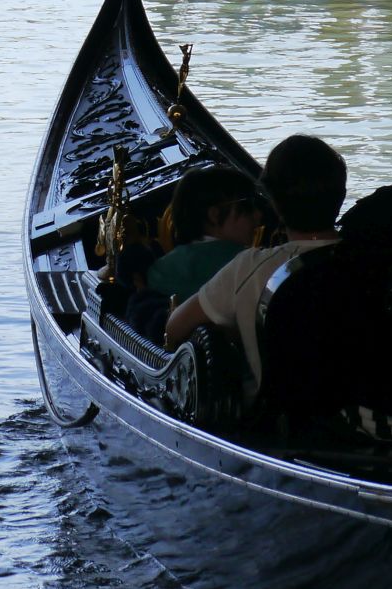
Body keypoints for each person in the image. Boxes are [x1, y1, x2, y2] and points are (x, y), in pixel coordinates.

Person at [164, 135, 348, 400]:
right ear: (340, 195)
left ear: (274, 203)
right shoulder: (374, 258)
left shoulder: (249, 268)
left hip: (284, 427)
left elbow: (174, 329)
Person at [148, 167, 265, 309]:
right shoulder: (252, 266)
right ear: (214, 215)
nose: (258, 215)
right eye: (247, 206)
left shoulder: (159, 271)